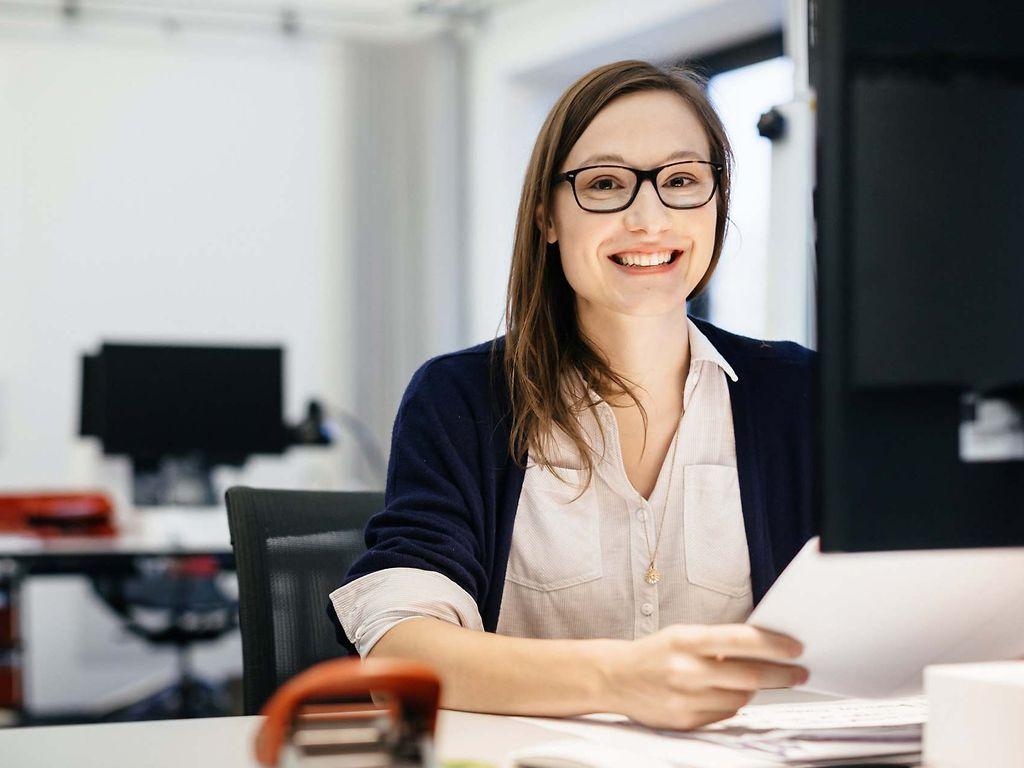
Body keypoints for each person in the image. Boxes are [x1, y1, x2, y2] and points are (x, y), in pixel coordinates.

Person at [329, 60, 815, 731]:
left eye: (681, 181)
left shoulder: (801, 396)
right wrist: (619, 680)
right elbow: (399, 652)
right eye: (606, 184)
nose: (650, 218)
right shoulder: (461, 399)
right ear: (547, 217)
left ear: (716, 202)